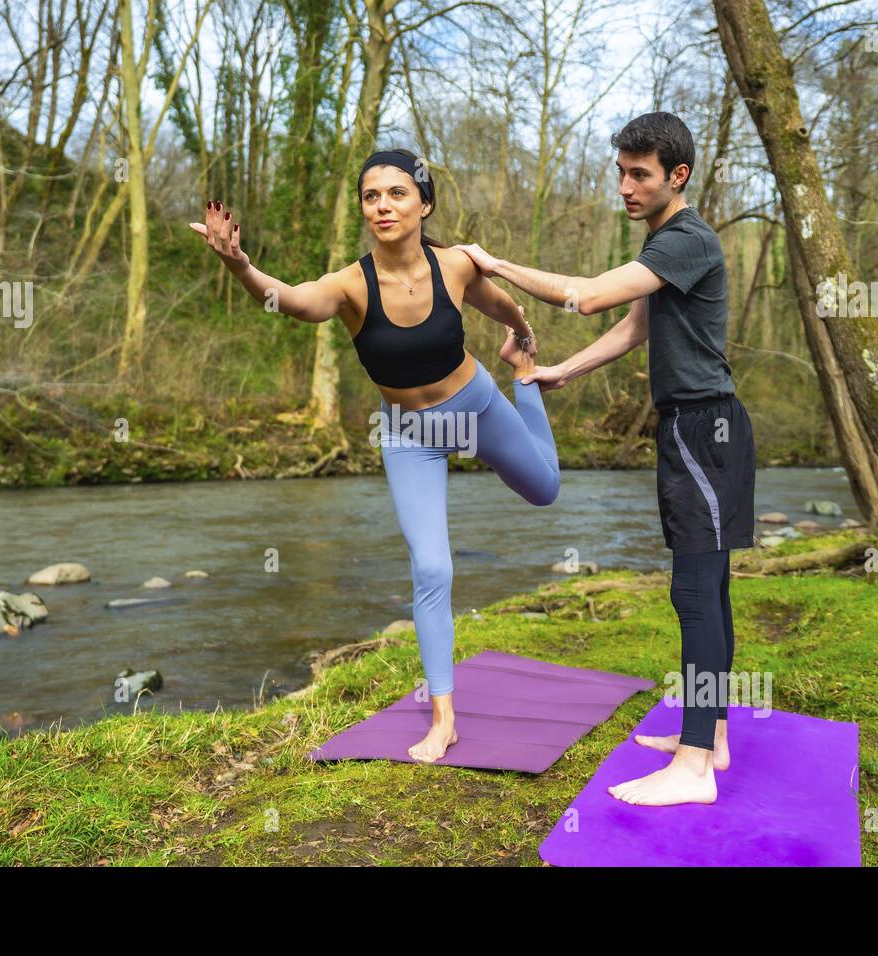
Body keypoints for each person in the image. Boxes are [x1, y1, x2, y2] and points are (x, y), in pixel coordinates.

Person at [191, 148, 561, 764]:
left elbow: (504, 308)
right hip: (408, 435)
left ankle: (528, 390)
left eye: (395, 193)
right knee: (433, 568)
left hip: (476, 408)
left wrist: (522, 343)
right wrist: (241, 266)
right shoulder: (349, 284)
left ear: (424, 204)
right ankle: (444, 717)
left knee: (545, 489)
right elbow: (289, 301)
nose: (382, 206)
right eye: (371, 196)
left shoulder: (457, 266)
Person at [454, 112, 756, 806]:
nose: (623, 185)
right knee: (710, 590)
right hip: (696, 428)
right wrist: (564, 371)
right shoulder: (666, 246)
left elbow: (586, 297)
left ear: (676, 177)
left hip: (704, 431)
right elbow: (632, 326)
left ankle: (693, 770)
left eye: (639, 174)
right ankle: (708, 736)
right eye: (620, 171)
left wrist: (494, 264)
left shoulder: (687, 239)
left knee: (694, 593)